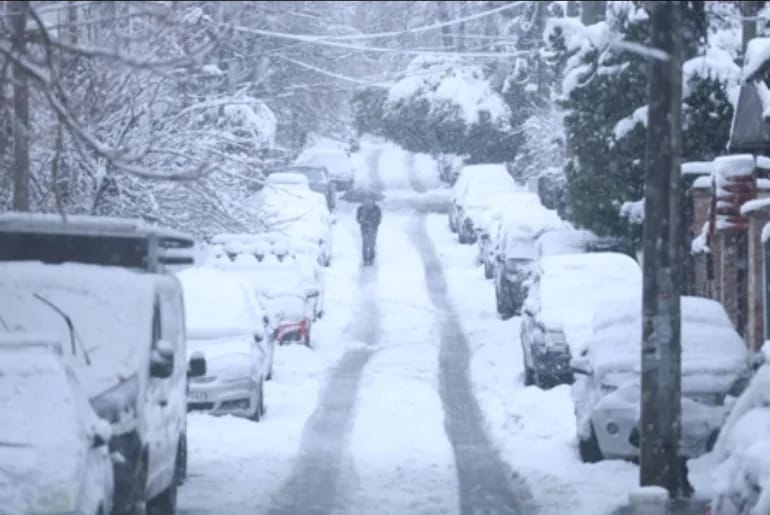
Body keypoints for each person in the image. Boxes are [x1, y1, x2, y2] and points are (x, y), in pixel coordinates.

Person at [356, 197, 382, 265]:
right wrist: (362, 220)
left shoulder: (376, 209)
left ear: (373, 200)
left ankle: (371, 258)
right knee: (365, 244)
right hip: (364, 229)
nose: (367, 201)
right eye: (365, 200)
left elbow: (379, 219)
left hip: (373, 229)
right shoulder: (361, 209)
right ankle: (365, 259)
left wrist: (373, 222)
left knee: (372, 244)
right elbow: (358, 219)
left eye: (369, 200)